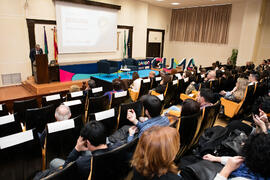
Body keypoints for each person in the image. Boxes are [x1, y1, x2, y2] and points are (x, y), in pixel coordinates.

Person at [203, 133, 270, 180]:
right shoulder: (261, 165)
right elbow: (238, 161)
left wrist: (227, 170)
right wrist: (217, 158)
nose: (242, 144)